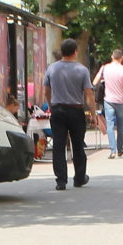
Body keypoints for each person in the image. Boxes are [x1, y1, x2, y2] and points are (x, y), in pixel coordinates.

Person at [42, 38, 93, 191]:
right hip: (76, 110)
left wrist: (51, 105)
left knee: (58, 145)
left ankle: (61, 180)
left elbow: (46, 90)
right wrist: (93, 113)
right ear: (75, 51)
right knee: (77, 145)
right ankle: (79, 178)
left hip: (57, 110)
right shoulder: (82, 70)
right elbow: (88, 93)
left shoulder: (52, 69)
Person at [93, 49, 123, 159]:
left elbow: (94, 82)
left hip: (108, 100)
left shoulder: (104, 68)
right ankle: (120, 149)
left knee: (110, 126)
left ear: (112, 56)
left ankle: (112, 150)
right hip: (120, 101)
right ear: (122, 58)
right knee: (121, 127)